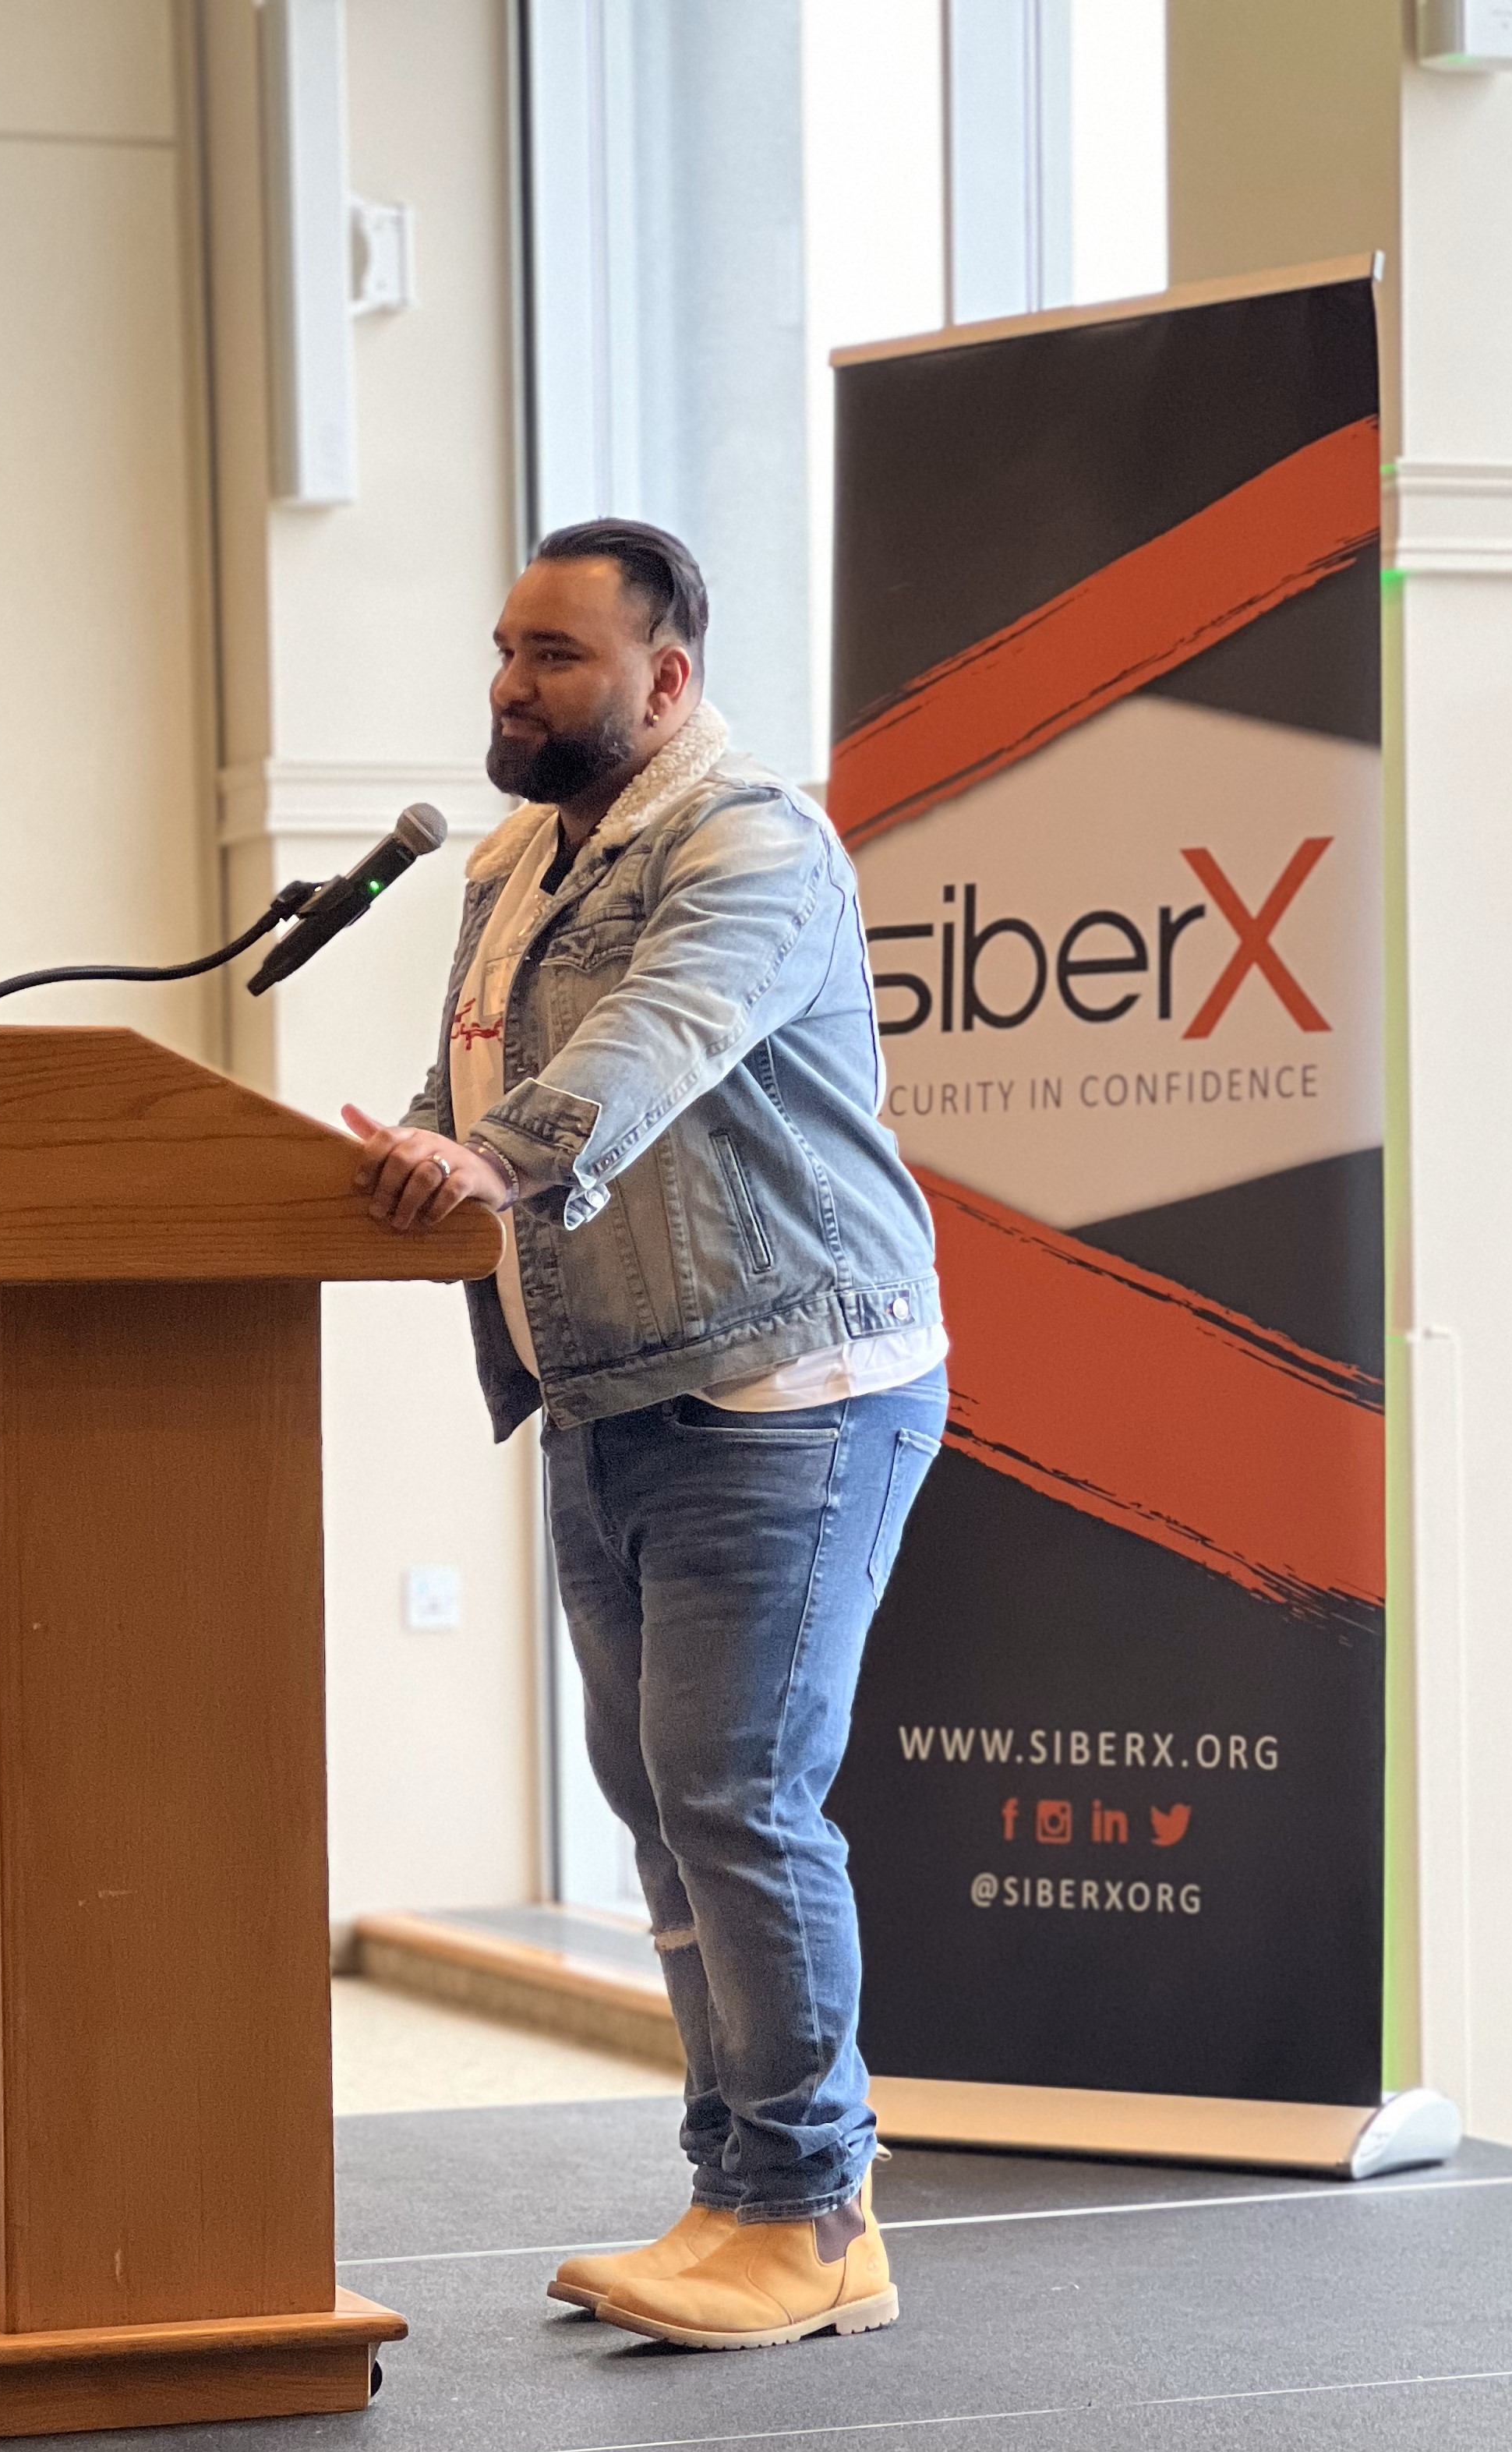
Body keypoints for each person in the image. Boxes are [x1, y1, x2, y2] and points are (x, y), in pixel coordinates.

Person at [342, 518, 946, 2351]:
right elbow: (478, 1078)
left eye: (557, 656)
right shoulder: (516, 858)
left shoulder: (754, 839)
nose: (511, 684)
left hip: (786, 1385)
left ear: (665, 679)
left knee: (738, 1798)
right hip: (608, 1386)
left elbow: (658, 1038)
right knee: (661, 1812)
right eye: (504, 648)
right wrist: (399, 1154)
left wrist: (492, 1158)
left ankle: (814, 2217)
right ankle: (735, 2188)